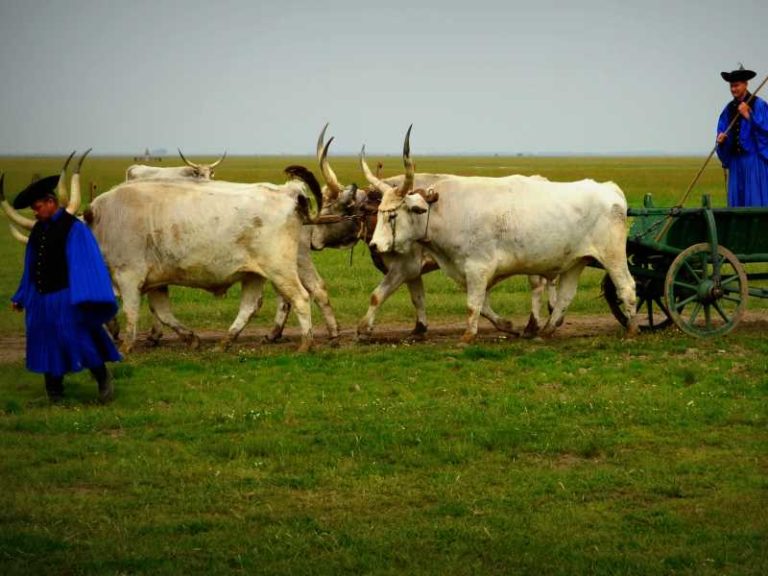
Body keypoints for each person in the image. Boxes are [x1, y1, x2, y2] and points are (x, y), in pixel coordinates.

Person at [10, 175, 121, 403]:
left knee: (81, 339)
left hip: (67, 297)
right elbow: (32, 266)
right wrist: (21, 296)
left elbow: (85, 263)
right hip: (41, 301)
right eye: (33, 209)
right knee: (45, 343)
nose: (35, 212)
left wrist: (84, 297)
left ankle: (102, 378)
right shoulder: (39, 231)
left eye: (38, 207)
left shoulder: (73, 229)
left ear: (51, 202)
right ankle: (55, 394)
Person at [715, 64, 768, 207]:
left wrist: (748, 115)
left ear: (745, 84)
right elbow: (722, 130)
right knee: (736, 202)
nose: (733, 89)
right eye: (731, 86)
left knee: (755, 201)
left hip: (754, 161)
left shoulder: (759, 105)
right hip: (735, 162)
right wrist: (721, 140)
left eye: (736, 85)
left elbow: (766, 130)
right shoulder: (728, 109)